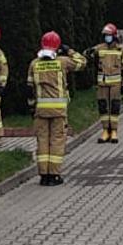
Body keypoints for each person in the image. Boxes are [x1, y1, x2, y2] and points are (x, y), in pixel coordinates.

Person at [28, 31, 87, 185]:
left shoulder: (34, 64)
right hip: (58, 110)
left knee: (42, 140)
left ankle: (43, 176)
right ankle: (54, 176)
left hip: (41, 110)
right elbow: (82, 62)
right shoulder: (62, 62)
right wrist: (69, 51)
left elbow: (30, 88)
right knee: (57, 140)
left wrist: (31, 108)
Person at [87, 23, 123, 144]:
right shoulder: (100, 48)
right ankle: (105, 131)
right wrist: (89, 51)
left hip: (116, 84)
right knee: (103, 108)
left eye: (109, 35)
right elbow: (87, 55)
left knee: (114, 108)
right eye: (105, 35)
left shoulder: (121, 49)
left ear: (114, 36)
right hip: (102, 84)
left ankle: (114, 131)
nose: (107, 37)